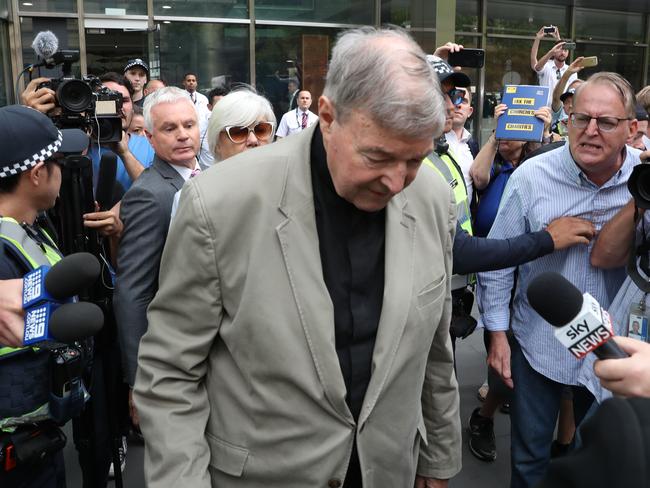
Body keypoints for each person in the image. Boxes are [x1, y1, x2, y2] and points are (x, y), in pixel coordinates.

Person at [134, 26, 461, 488]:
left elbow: (434, 346)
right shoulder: (220, 201)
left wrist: (439, 457)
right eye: (377, 156)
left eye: (414, 159)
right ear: (326, 116)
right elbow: (170, 371)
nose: (395, 182)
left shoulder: (432, 197)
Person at [477, 72, 640, 488]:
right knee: (529, 459)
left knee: (600, 460)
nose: (589, 131)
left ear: (631, 129)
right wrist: (497, 334)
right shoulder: (532, 177)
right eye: (580, 118)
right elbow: (498, 261)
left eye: (605, 122)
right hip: (539, 345)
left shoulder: (644, 182)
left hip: (612, 348)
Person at [0, 104, 89, 488]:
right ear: (37, 174)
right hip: (17, 455)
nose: (64, 173)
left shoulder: (29, 227)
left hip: (40, 440)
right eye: (58, 162)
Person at [113, 86, 200, 432]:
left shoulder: (201, 175)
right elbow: (133, 292)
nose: (182, 135)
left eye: (188, 125)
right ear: (149, 137)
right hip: (169, 360)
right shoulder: (149, 195)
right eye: (169, 128)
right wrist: (137, 379)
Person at [530, 26, 577, 107]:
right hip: (545, 110)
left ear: (568, 53)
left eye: (565, 50)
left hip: (563, 113)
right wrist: (538, 38)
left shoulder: (571, 70)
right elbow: (536, 66)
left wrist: (558, 39)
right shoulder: (546, 65)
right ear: (554, 51)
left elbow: (573, 92)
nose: (563, 52)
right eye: (560, 49)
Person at [197, 86, 229, 169]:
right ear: (209, 107)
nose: (223, 108)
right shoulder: (200, 127)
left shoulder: (236, 126)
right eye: (219, 105)